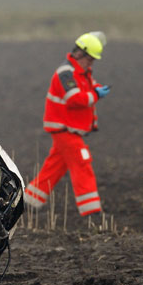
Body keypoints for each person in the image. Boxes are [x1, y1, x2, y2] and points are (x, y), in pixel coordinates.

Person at [24, 32, 111, 216]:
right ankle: (92, 213)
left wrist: (96, 89)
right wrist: (96, 95)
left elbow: (89, 86)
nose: (91, 63)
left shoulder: (82, 72)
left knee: (55, 166)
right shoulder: (66, 73)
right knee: (82, 162)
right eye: (90, 59)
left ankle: (30, 201)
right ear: (80, 54)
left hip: (71, 129)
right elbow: (74, 99)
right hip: (64, 129)